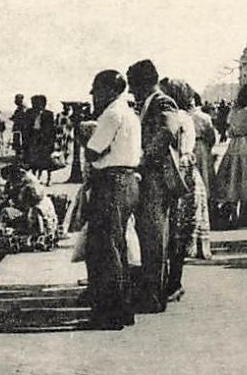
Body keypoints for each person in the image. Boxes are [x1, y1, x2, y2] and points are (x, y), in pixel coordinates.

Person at [82, 69, 144, 329]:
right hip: (129, 180)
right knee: (118, 246)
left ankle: (109, 313)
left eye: (96, 90)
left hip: (110, 182)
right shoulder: (129, 113)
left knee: (104, 249)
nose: (94, 96)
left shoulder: (111, 114)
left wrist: (85, 140)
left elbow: (92, 152)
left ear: (108, 90)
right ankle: (123, 309)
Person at [127, 59, 181, 313]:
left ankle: (154, 295)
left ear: (144, 83)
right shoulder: (150, 103)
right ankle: (152, 290)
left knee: (154, 236)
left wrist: (145, 158)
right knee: (150, 235)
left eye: (133, 85)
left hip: (156, 178)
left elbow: (169, 130)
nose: (131, 91)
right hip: (150, 178)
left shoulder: (162, 102)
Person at [158, 77, 202, 300]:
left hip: (178, 177)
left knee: (176, 231)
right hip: (182, 175)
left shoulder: (179, 117)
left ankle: (174, 282)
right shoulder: (185, 116)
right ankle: (172, 281)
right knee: (175, 231)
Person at [213, 86, 247, 228]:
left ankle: (233, 213)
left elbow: (229, 132)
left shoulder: (234, 112)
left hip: (234, 146)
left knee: (234, 179)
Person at [189, 90, 218, 259]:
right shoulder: (203, 117)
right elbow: (211, 137)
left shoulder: (182, 116)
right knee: (204, 182)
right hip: (201, 149)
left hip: (189, 150)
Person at [25, 95, 58, 183]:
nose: (34, 105)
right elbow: (27, 127)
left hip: (45, 140)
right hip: (34, 138)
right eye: (33, 103)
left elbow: (52, 129)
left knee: (46, 160)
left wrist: (51, 142)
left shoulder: (49, 114)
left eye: (36, 103)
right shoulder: (29, 113)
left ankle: (48, 178)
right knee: (33, 160)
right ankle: (35, 178)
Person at [9, 94, 30, 159]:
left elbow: (22, 117)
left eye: (16, 99)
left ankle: (21, 156)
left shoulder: (23, 107)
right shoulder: (19, 108)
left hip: (21, 128)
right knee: (17, 141)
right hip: (18, 127)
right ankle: (19, 155)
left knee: (20, 141)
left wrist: (15, 118)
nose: (15, 101)